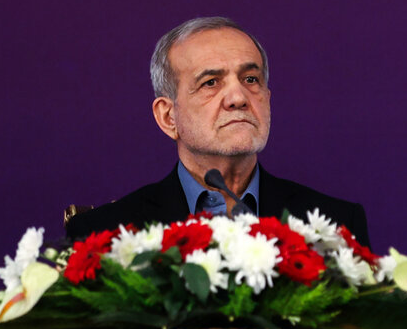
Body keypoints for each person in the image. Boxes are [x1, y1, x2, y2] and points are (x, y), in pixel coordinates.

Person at [65, 17, 370, 245]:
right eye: (211, 82)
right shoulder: (106, 234)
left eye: (251, 79)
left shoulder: (336, 225)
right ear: (168, 117)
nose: (238, 98)